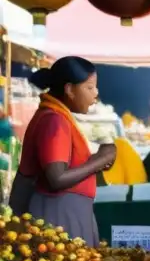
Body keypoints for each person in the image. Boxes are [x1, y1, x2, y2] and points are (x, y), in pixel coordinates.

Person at [10, 57, 115, 246]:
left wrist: (97, 161)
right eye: (89, 88)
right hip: (59, 216)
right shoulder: (54, 121)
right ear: (69, 90)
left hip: (65, 212)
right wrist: (101, 159)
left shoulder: (56, 116)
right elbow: (56, 178)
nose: (95, 94)